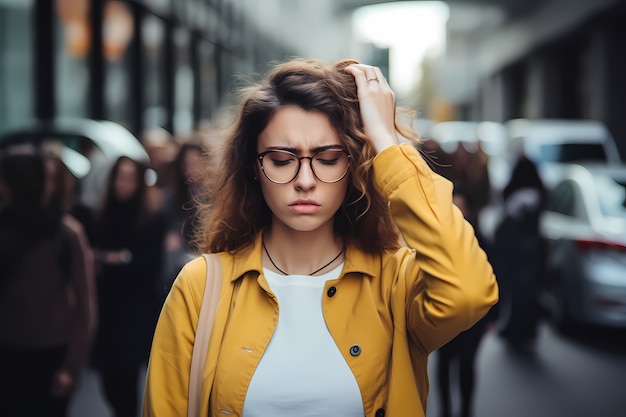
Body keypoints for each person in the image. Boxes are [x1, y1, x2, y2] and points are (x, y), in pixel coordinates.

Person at [142, 58, 498, 417]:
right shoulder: (201, 287)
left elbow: (468, 292)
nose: (305, 180)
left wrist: (388, 145)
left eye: (327, 158)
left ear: (354, 165)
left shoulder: (393, 282)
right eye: (282, 159)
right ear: (255, 167)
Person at [0, 144, 97, 417]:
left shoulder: (66, 233)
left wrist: (72, 365)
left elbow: (86, 307)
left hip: (51, 355)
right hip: (7, 354)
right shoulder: (3, 228)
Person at [90, 156, 167, 417]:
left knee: (127, 385)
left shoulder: (150, 218)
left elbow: (149, 267)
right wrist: (116, 258)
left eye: (129, 178)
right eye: (119, 177)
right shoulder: (101, 215)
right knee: (109, 383)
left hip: (135, 313)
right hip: (106, 311)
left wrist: (116, 259)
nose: (123, 184)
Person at [435, 183, 496, 417]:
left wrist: (493, 316)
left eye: (460, 207)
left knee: (467, 365)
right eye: (452, 207)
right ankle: (446, 411)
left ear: (469, 211)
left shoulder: (481, 241)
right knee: (443, 363)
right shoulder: (437, 241)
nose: (456, 213)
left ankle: (466, 410)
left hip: (474, 319)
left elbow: (494, 279)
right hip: (445, 315)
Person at [491, 155, 546, 352]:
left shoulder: (513, 192)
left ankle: (513, 327)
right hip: (531, 251)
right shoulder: (538, 192)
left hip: (514, 250)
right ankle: (525, 329)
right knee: (528, 292)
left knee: (512, 291)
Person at [161, 142, 205, 291]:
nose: (192, 168)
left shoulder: (216, 195)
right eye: (187, 163)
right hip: (182, 255)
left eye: (196, 162)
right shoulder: (174, 195)